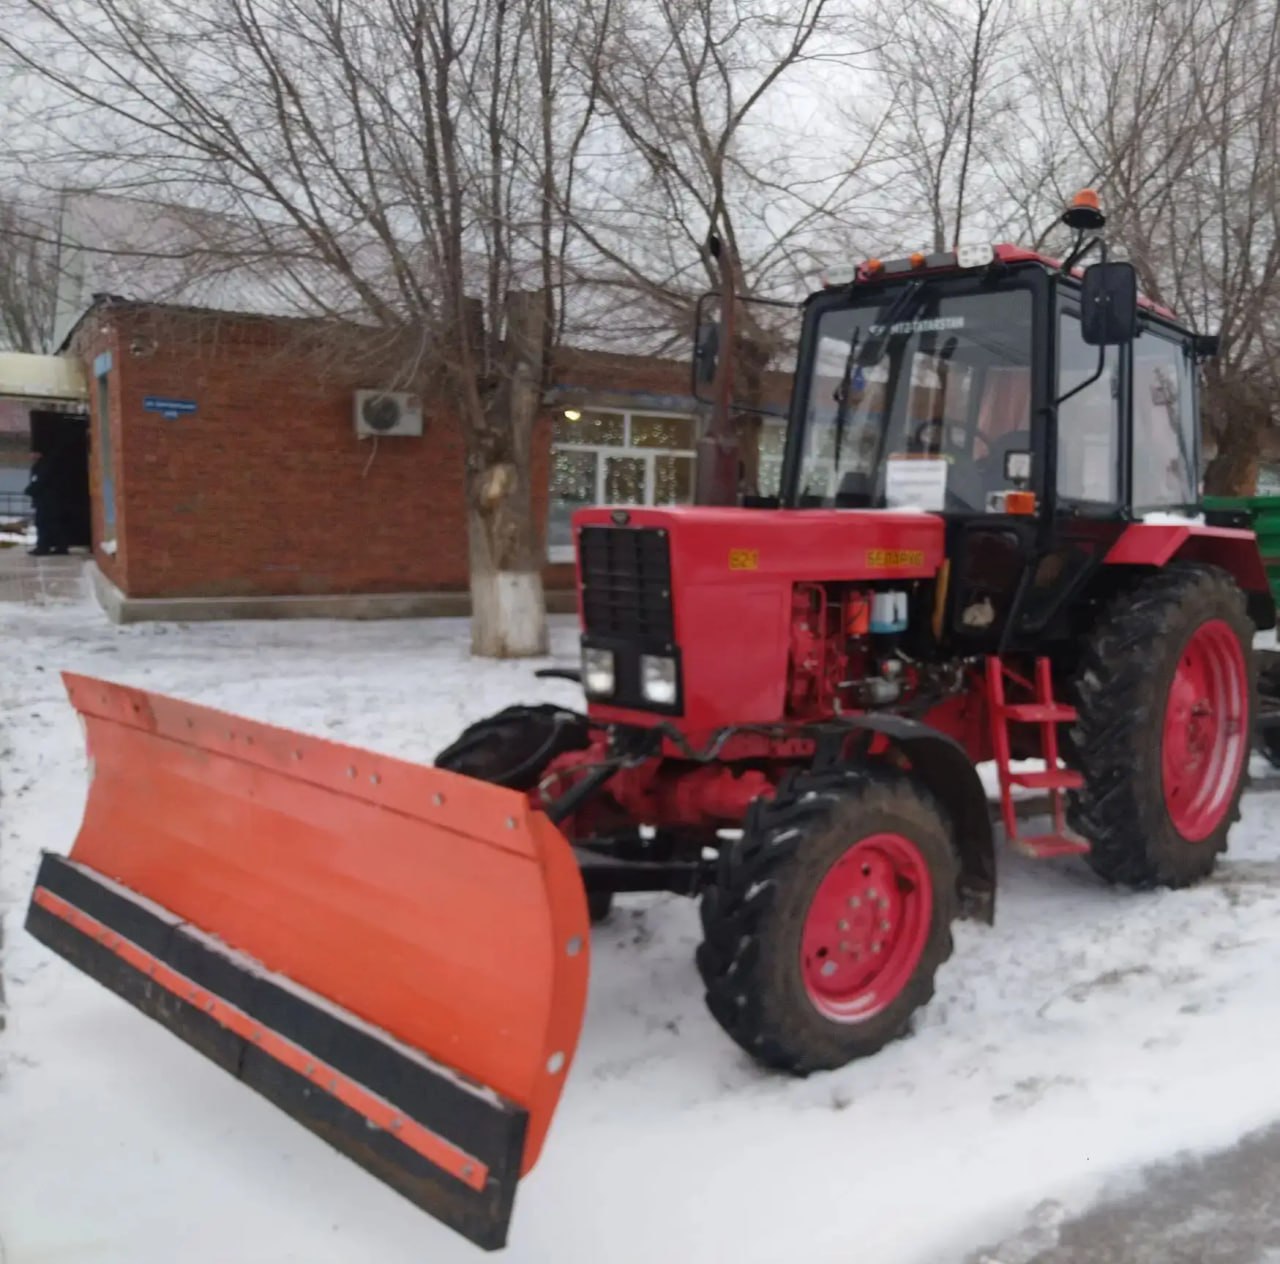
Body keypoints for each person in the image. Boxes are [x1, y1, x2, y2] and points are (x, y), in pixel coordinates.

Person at [25, 450, 68, 556]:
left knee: (43, 523)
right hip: (49, 500)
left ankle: (43, 547)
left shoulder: (43, 466)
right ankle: (59, 546)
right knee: (51, 524)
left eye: (33, 453)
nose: (31, 456)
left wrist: (30, 491)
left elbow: (40, 481)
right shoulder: (46, 465)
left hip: (46, 501)